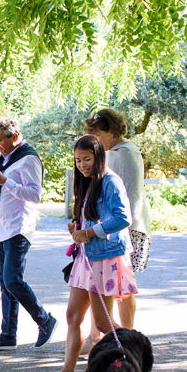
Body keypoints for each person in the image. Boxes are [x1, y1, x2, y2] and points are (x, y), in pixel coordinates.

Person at [35, 134, 137, 372]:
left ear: (99, 156)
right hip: (86, 257)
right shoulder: (87, 181)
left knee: (103, 324)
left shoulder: (110, 181)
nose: (82, 165)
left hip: (103, 258)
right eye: (78, 160)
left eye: (87, 159)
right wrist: (78, 227)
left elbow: (123, 218)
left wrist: (90, 233)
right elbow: (92, 216)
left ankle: (137, 363)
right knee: (72, 316)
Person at [0, 117, 57, 351]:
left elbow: (35, 195)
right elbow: (4, 189)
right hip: (2, 228)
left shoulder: (28, 158)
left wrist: (5, 181)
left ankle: (44, 320)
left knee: (13, 280)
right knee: (5, 283)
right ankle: (8, 335)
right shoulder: (5, 158)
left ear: (14, 137)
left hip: (18, 227)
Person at [80, 108, 152, 354]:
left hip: (123, 229)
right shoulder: (122, 151)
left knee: (119, 287)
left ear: (110, 132)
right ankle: (98, 337)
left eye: (97, 135)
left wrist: (95, 229)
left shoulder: (120, 155)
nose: (95, 141)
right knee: (106, 287)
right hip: (118, 227)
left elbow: (119, 199)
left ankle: (124, 339)